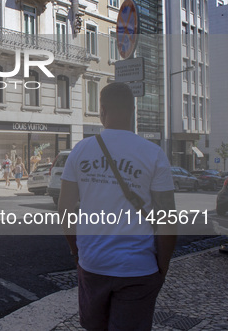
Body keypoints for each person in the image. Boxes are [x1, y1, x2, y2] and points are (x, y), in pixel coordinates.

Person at [58, 82, 177, 330]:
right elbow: (167, 218)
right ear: (133, 111)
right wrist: (162, 267)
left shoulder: (80, 151)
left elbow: (66, 208)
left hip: (93, 264)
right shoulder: (153, 153)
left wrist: (76, 252)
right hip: (138, 268)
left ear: (101, 111)